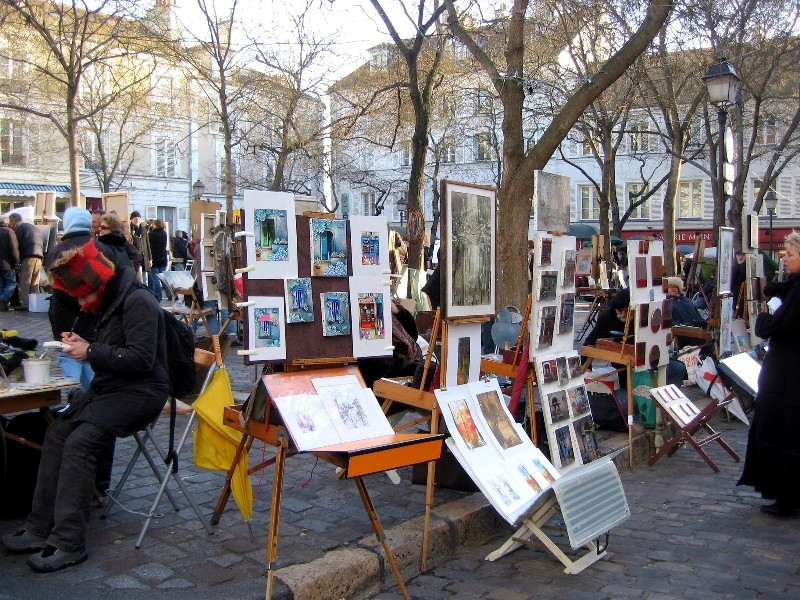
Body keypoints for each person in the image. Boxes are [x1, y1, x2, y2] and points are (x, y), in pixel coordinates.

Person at [1, 240, 170, 571]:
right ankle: (39, 526)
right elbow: (111, 348)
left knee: (81, 442)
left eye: (82, 296)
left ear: (98, 285)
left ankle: (68, 541)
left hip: (142, 393)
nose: (80, 303)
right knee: (58, 431)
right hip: (114, 388)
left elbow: (140, 359)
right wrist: (87, 345)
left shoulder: (138, 302)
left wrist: (90, 351)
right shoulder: (111, 300)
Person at [738, 232, 800, 516]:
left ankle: (787, 496)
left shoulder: (797, 292)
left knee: (786, 430)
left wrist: (763, 315)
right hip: (785, 370)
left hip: (789, 374)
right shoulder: (790, 288)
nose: (784, 260)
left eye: (789, 255)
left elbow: (772, 327)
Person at [7, 212, 44, 311]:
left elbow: (16, 244)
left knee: (25, 282)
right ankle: (34, 304)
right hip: (39, 255)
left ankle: (25, 304)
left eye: (10, 223)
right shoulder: (33, 227)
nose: (9, 225)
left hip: (28, 256)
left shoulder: (19, 228)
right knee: (34, 282)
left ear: (13, 221)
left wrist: (16, 260)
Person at [0, 214, 19, 311]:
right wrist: (17, 261)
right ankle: (2, 300)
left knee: (1, 285)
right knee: (12, 283)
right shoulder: (9, 231)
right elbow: (13, 248)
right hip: (7, 264)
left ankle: (2, 305)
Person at [147, 219, 169, 301]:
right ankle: (169, 293)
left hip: (155, 258)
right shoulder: (164, 233)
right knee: (163, 277)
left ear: (155, 225)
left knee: (155, 278)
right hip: (163, 257)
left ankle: (158, 295)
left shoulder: (151, 234)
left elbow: (149, 245)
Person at [129, 210, 151, 283]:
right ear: (131, 219)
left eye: (139, 218)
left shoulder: (143, 230)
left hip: (144, 258)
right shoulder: (129, 230)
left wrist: (150, 258)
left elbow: (147, 244)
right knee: (138, 280)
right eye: (135, 218)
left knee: (145, 280)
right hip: (134, 259)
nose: (137, 220)